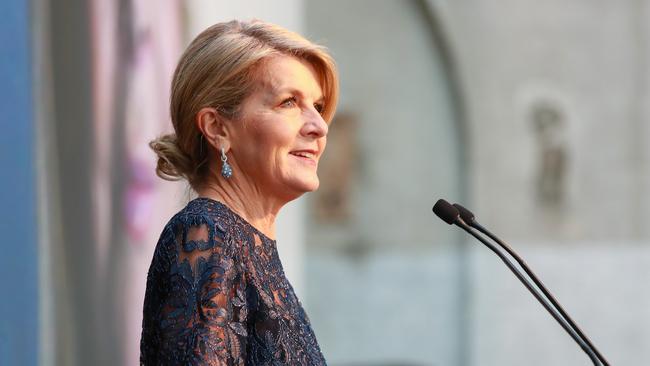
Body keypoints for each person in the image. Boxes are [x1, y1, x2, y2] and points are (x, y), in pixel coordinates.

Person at [139, 19, 338, 365]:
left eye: (318, 107)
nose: (318, 126)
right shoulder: (207, 235)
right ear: (217, 128)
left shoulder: (250, 248)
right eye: (289, 102)